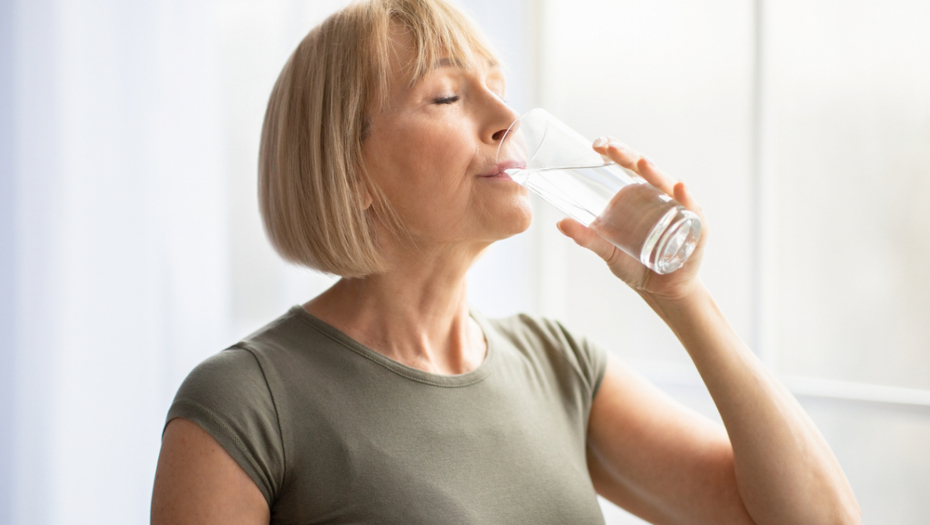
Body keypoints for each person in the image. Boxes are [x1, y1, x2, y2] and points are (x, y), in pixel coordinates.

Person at [150, 0, 861, 523]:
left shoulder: (559, 366)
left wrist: (685, 299)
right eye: (449, 95)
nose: (507, 120)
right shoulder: (245, 401)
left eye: (497, 87)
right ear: (350, 170)